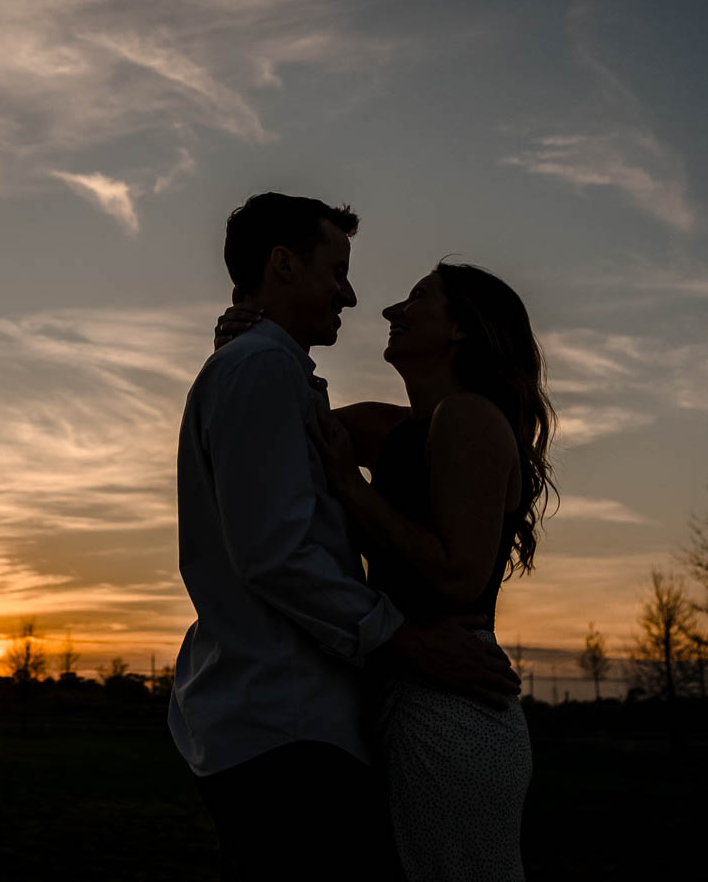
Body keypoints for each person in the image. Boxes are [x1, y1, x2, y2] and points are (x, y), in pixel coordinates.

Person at [169, 193, 521, 882]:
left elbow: (456, 574)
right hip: (303, 718)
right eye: (338, 270)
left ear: (458, 332)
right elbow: (275, 540)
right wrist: (243, 346)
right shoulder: (275, 376)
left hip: (425, 697)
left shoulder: (464, 421)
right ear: (283, 264)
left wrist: (249, 350)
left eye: (415, 297)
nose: (364, 299)